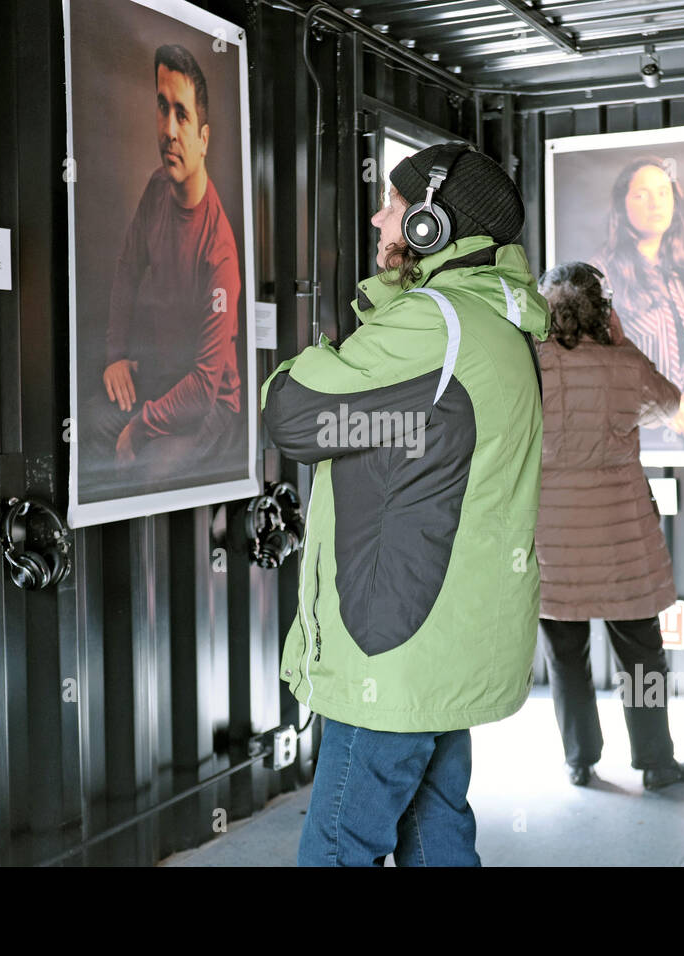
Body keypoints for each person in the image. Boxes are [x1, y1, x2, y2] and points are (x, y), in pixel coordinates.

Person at [260, 143, 548, 866]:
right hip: (442, 643)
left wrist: (299, 370)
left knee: (335, 847)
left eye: (392, 204)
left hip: (392, 647)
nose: (376, 216)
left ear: (429, 225)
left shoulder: (435, 324)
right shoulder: (493, 325)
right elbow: (389, 430)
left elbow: (295, 417)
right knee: (435, 828)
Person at [534, 260, 684, 791]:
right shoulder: (624, 363)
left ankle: (579, 760)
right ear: (603, 308)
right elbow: (669, 404)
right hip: (622, 544)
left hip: (554, 544)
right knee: (642, 659)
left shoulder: (530, 364)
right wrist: (622, 348)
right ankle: (655, 763)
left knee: (565, 658)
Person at [83, 42, 243, 491]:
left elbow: (204, 387)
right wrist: (116, 357)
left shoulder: (221, 252)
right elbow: (127, 271)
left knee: (145, 470)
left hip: (207, 404)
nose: (169, 130)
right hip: (160, 375)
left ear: (204, 138)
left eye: (183, 115)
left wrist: (141, 425)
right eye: (162, 107)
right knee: (86, 423)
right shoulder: (157, 189)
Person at [597, 156, 684, 440]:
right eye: (642, 195)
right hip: (634, 429)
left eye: (663, 193)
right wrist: (662, 406)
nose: (656, 203)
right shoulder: (602, 273)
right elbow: (601, 360)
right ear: (622, 205)